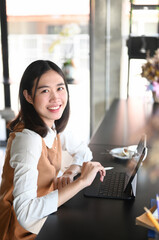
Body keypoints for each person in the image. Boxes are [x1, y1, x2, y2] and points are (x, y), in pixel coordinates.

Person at [0, 60, 105, 240]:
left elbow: (83, 151)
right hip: (20, 230)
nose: (55, 98)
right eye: (44, 90)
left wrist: (71, 172)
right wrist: (81, 182)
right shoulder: (28, 140)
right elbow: (25, 214)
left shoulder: (51, 126)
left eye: (60, 88)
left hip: (45, 217)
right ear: (28, 96)